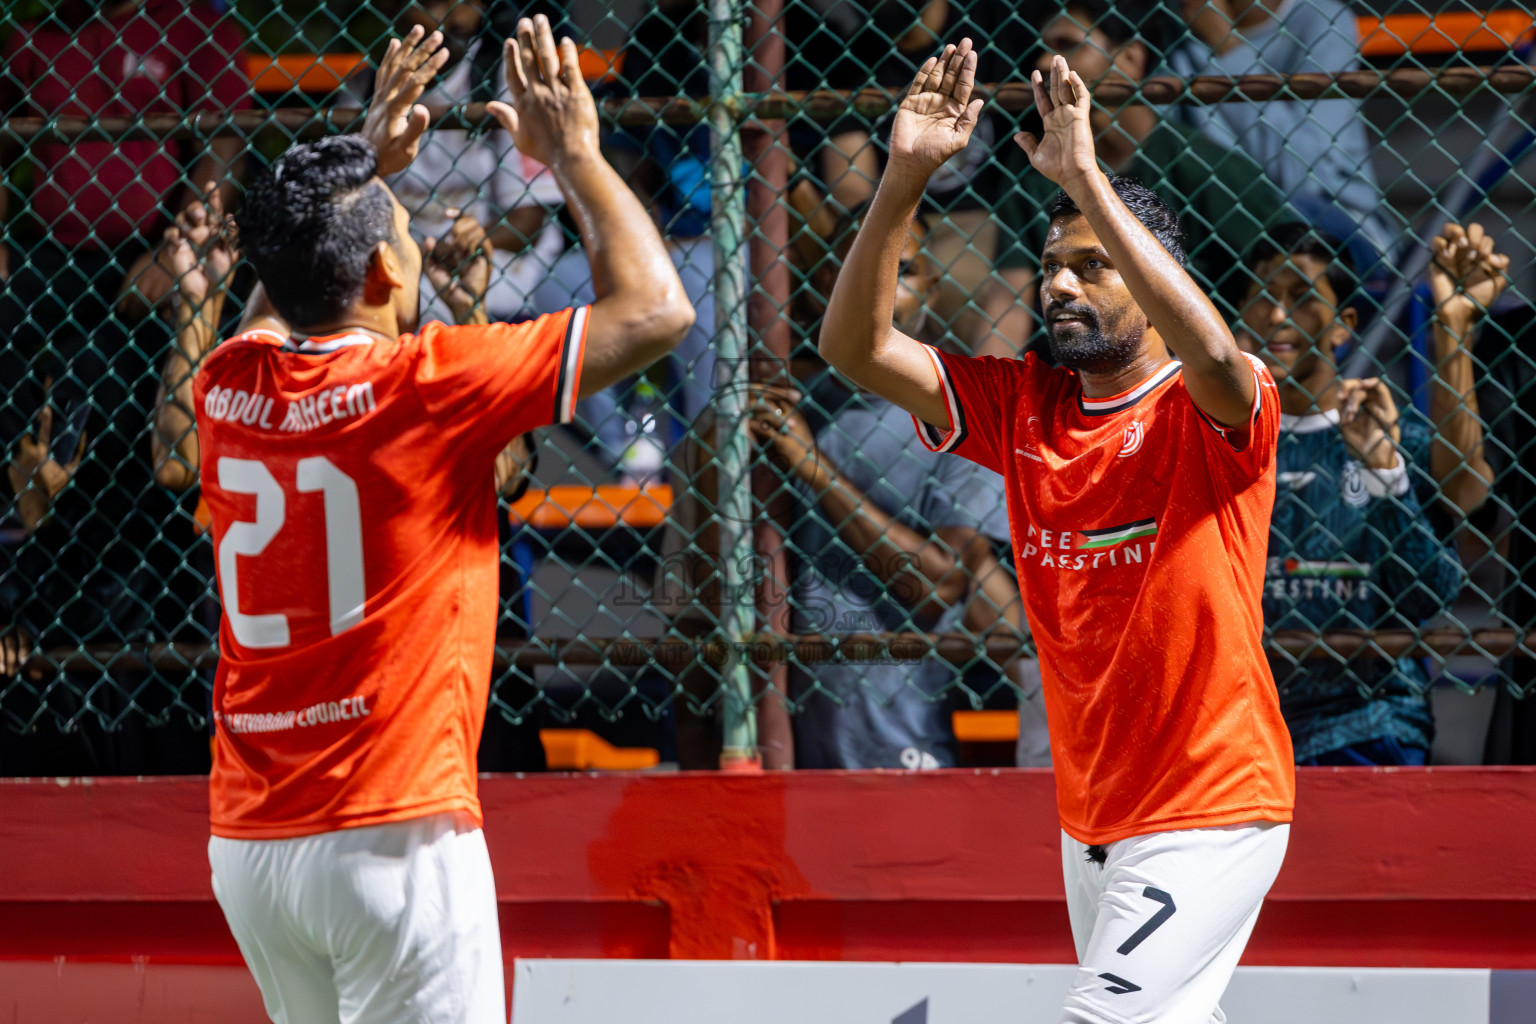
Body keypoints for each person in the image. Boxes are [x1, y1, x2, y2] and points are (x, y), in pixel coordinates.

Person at [151, 21, 692, 1022]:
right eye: (397, 233)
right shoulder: (425, 384)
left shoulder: (231, 384)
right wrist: (575, 153)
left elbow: (296, 273)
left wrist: (361, 163)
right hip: (390, 829)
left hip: (253, 848)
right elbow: (658, 310)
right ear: (387, 275)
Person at [822, 43, 1292, 1022]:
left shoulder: (1215, 404)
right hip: (1093, 819)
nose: (1061, 287)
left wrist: (1082, 173)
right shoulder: (1023, 405)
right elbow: (854, 347)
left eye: (1094, 266)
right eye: (1051, 267)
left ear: (1149, 274)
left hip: (1210, 805)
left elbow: (1208, 344)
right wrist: (906, 173)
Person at [1235, 223, 1484, 765]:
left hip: (1369, 722)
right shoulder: (1225, 446)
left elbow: (1428, 594)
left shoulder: (1399, 437)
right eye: (1262, 299)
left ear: (1343, 326)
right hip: (1245, 725)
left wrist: (1384, 471)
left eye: (1301, 297)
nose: (1277, 315)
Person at [981, 0, 1292, 358]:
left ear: (1129, 59)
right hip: (1080, 368)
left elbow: (1281, 276)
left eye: (1068, 46)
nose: (1042, 63)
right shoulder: (1036, 167)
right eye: (1043, 48)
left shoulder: (1205, 167)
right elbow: (1008, 302)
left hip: (1198, 361)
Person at [343, 0, 565, 327]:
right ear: (392, 8)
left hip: (502, 259)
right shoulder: (364, 90)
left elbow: (526, 222)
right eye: (436, 2)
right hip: (403, 259)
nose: (459, 15)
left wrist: (467, 244)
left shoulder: (498, 77)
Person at [1160, 0, 1393, 277]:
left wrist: (1225, 46)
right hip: (1214, 225)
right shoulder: (1173, 27)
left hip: (1325, 221)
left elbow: (1302, 175)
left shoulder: (1321, 21)